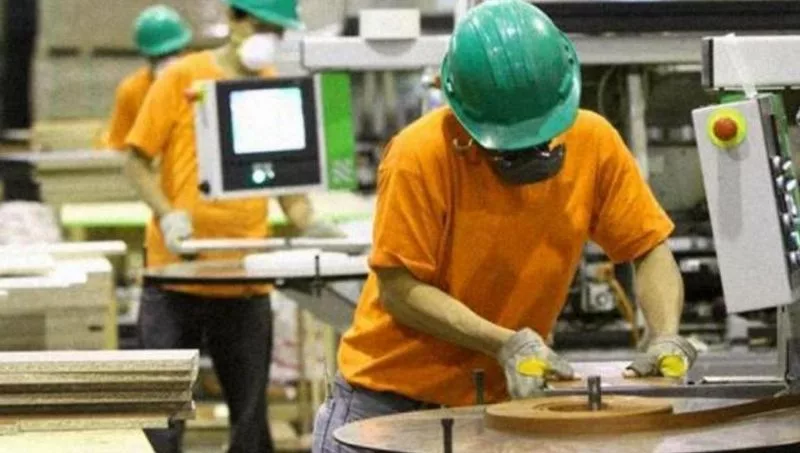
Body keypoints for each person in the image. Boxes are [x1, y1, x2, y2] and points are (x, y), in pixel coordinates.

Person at [312, 1, 697, 451]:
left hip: (497, 408)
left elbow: (648, 248)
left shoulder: (594, 142)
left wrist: (665, 335)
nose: (527, 154)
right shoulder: (418, 155)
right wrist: (504, 344)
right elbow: (399, 289)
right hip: (388, 405)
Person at [123, 1, 337, 452]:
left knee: (250, 424)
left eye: (278, 32)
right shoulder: (182, 78)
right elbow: (136, 160)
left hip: (244, 278)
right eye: (262, 27)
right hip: (175, 274)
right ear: (235, 20)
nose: (269, 41)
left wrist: (310, 222)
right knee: (161, 422)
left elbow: (285, 182)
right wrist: (167, 214)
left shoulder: (272, 89)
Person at [102, 5, 192, 150]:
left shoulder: (202, 80)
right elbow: (118, 145)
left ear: (184, 48)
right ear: (146, 55)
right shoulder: (132, 91)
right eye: (159, 56)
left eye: (173, 52)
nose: (168, 63)